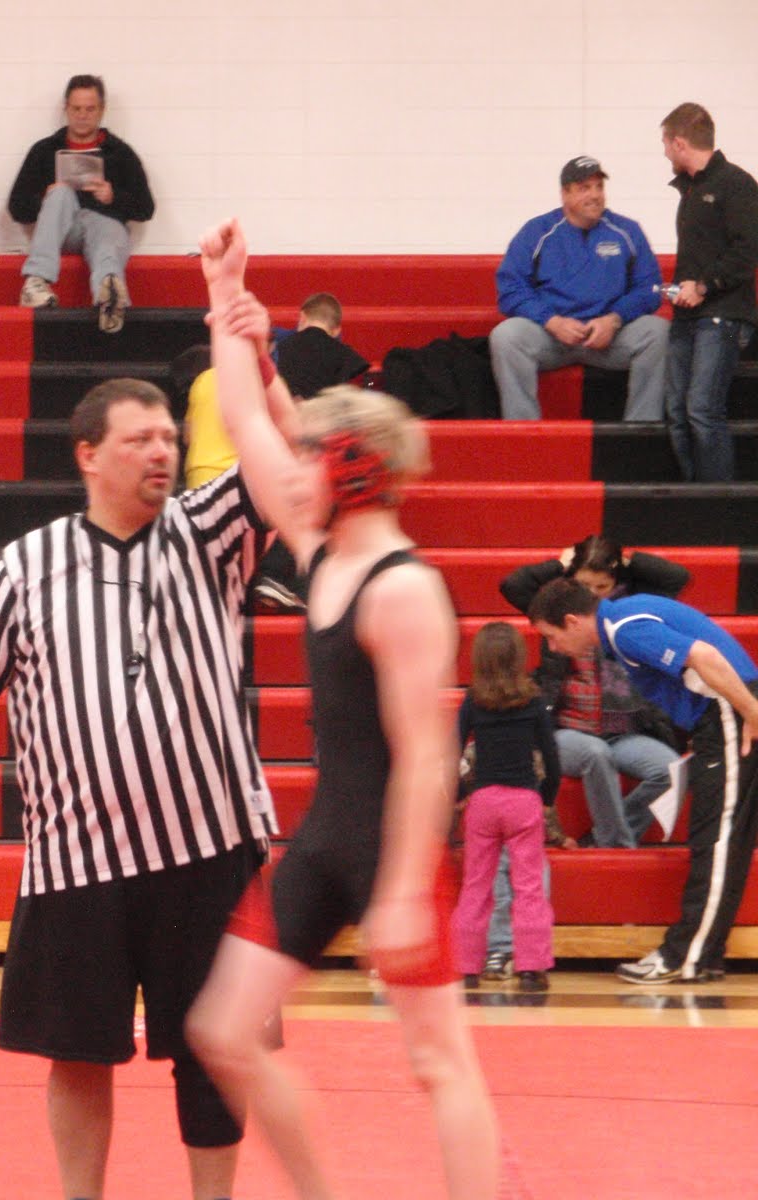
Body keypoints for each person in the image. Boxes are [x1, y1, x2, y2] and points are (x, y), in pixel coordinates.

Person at [184, 219, 500, 1200]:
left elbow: (423, 755)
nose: (294, 458)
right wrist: (223, 295)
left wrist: (405, 889)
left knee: (438, 1061)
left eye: (315, 448)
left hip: (390, 846)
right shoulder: (322, 547)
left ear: (353, 467)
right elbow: (247, 418)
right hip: (326, 839)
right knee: (219, 1032)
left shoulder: (404, 591)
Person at [0, 375, 276, 1200]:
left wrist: (241, 335)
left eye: (169, 439)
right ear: (88, 455)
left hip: (205, 847)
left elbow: (272, 459)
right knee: (76, 1053)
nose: (162, 452)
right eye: (139, 439)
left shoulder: (206, 532)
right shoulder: (24, 565)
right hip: (75, 859)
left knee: (213, 1051)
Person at [528, 577, 758, 985]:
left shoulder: (625, 628)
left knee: (717, 841)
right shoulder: (625, 617)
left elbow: (705, 656)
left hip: (728, 712)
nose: (553, 649)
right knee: (726, 840)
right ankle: (704, 955)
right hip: (724, 712)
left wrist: (752, 712)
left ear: (571, 621)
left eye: (551, 637)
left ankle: (684, 955)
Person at [500, 535, 684, 848]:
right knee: (595, 754)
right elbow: (513, 586)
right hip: (568, 729)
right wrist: (560, 564)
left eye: (602, 586)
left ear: (616, 581)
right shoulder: (555, 606)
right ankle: (618, 847)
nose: (592, 594)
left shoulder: (629, 607)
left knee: (670, 769)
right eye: (585, 584)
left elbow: (677, 579)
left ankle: (605, 838)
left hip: (625, 731)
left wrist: (629, 560)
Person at [490, 156, 669, 422]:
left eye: (599, 187)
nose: (595, 195)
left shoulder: (627, 231)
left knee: (659, 332)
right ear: (565, 193)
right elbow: (510, 288)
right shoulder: (537, 231)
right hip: (552, 337)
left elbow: (650, 288)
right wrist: (550, 321)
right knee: (506, 336)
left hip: (609, 338)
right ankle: (524, 431)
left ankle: (640, 430)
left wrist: (614, 319)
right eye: (585, 188)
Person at [451, 622, 561, 993]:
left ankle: (467, 966)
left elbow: (453, 753)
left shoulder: (473, 700)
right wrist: (545, 798)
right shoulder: (533, 701)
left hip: (483, 801)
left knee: (476, 886)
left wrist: (456, 796)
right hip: (523, 800)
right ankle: (531, 968)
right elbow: (551, 757)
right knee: (529, 887)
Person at [9, 74, 155, 333]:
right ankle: (36, 280)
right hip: (61, 231)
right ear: (66, 108)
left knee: (104, 224)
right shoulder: (44, 151)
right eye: (76, 108)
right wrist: (46, 197)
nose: (82, 115)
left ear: (102, 110)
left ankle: (108, 295)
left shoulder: (120, 153)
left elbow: (146, 208)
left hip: (103, 231)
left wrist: (113, 197)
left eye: (90, 109)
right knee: (61, 195)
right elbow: (17, 208)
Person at [659, 102, 758, 482]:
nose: (665, 152)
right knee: (678, 410)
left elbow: (747, 251)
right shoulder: (691, 191)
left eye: (666, 144)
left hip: (724, 314)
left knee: (702, 408)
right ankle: (695, 493)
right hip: (689, 315)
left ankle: (717, 504)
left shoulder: (736, 183)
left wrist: (703, 286)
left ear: (680, 143)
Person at [273, 292, 371, 401]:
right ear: (337, 331)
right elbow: (368, 384)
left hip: (289, 410)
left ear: (303, 317)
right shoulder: (347, 356)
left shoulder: (280, 346)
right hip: (325, 413)